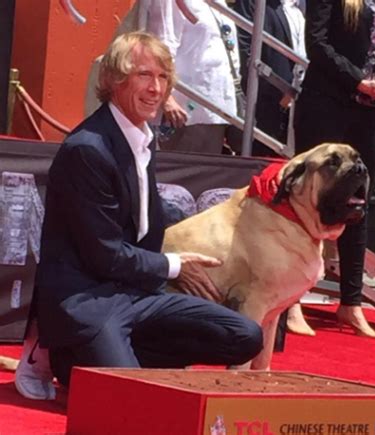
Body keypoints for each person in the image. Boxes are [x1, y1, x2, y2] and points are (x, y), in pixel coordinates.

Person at [15, 31, 263, 399]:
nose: (156, 88)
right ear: (114, 81)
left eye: (163, 77)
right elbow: (104, 254)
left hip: (136, 293)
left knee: (245, 336)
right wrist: (174, 265)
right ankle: (61, 356)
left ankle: (100, 361)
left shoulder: (141, 137)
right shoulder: (88, 149)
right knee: (134, 405)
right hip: (89, 299)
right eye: (144, 75)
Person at [293, 0, 375, 338]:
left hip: (370, 113)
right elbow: (318, 45)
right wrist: (359, 80)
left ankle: (351, 302)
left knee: (359, 203)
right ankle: (292, 300)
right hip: (327, 104)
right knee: (306, 198)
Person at [147, 0, 241, 153]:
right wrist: (166, 98)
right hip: (187, 110)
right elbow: (161, 45)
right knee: (184, 171)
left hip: (217, 108)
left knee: (210, 171)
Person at [234, 0, 306, 156]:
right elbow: (245, 48)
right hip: (265, 103)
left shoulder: (301, 8)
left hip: (296, 104)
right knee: (260, 163)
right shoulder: (257, 4)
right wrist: (278, 92)